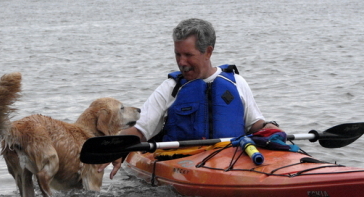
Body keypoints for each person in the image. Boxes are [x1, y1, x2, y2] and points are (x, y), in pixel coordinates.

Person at [99, 18, 280, 179]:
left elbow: (254, 124)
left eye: (188, 55)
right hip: (184, 162)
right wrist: (113, 149)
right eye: (178, 54)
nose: (182, 62)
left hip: (234, 161)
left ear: (208, 52)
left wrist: (268, 127)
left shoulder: (236, 83)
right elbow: (139, 131)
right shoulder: (170, 88)